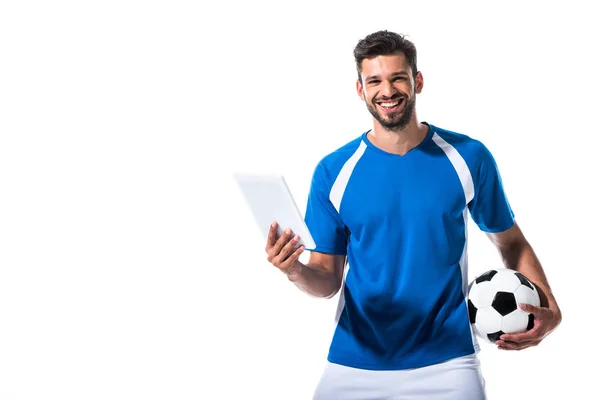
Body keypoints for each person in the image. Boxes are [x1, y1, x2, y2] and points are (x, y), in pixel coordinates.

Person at [264, 30, 562, 400]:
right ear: (360, 90)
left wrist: (550, 307)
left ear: (417, 81)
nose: (386, 90)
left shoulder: (468, 157)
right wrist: (293, 268)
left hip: (448, 363)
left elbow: (512, 243)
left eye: (397, 77)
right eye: (374, 80)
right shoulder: (333, 171)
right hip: (354, 361)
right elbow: (326, 280)